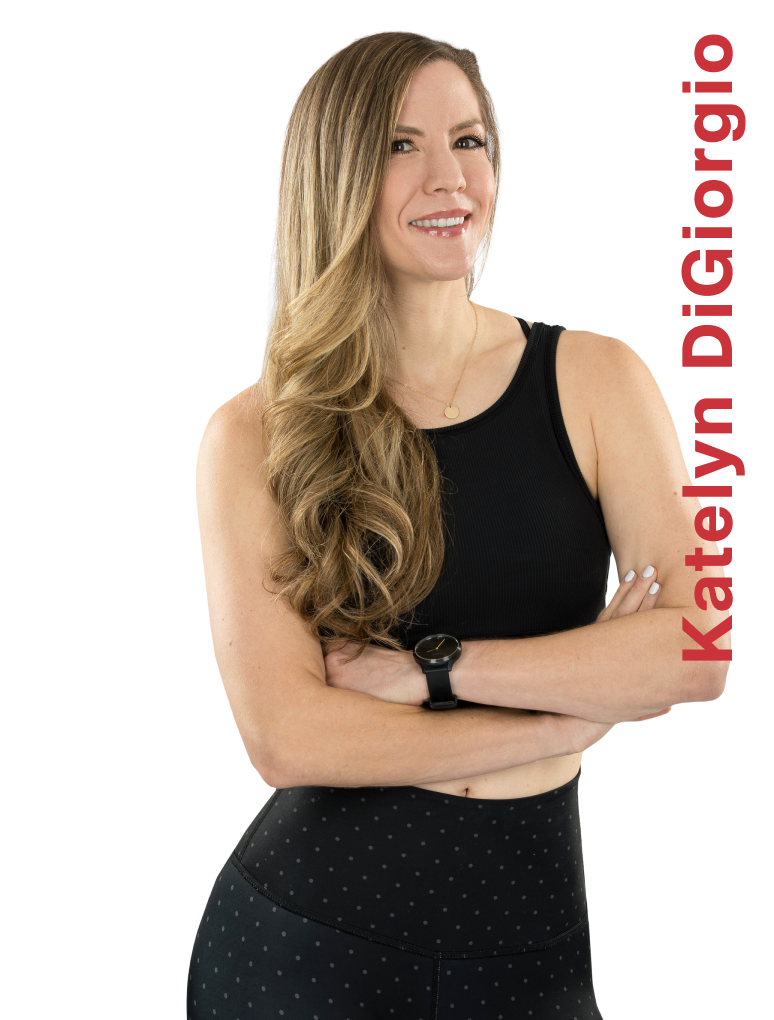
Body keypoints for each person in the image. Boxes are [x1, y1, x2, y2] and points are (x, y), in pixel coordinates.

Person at [187, 31, 729, 1020]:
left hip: (534, 953)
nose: (450, 178)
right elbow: (287, 738)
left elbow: (698, 647)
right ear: (337, 176)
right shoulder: (255, 434)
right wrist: (561, 719)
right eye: (402, 145)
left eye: (469, 140)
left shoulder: (598, 379)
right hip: (310, 949)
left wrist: (436, 672)